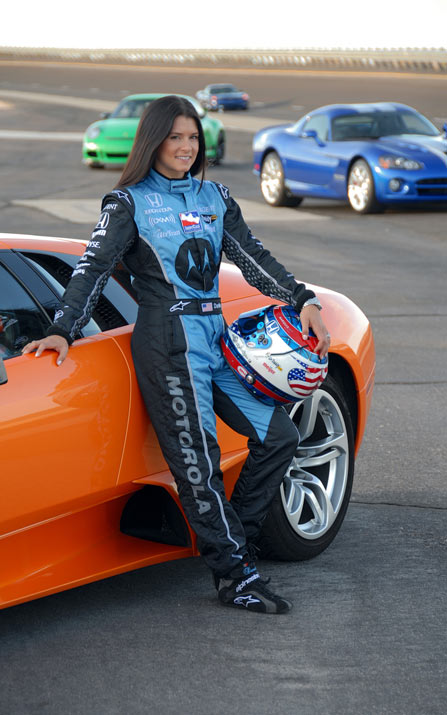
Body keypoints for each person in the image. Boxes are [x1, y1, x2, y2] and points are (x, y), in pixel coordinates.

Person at [22, 95, 330, 614]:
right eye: (175, 137)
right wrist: (62, 329)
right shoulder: (127, 203)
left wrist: (305, 301)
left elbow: (252, 257)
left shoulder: (215, 196)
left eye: (193, 137)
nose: (186, 147)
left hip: (218, 337)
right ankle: (235, 576)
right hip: (167, 340)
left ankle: (236, 543)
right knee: (198, 462)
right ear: (154, 141)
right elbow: (92, 268)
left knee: (279, 437)